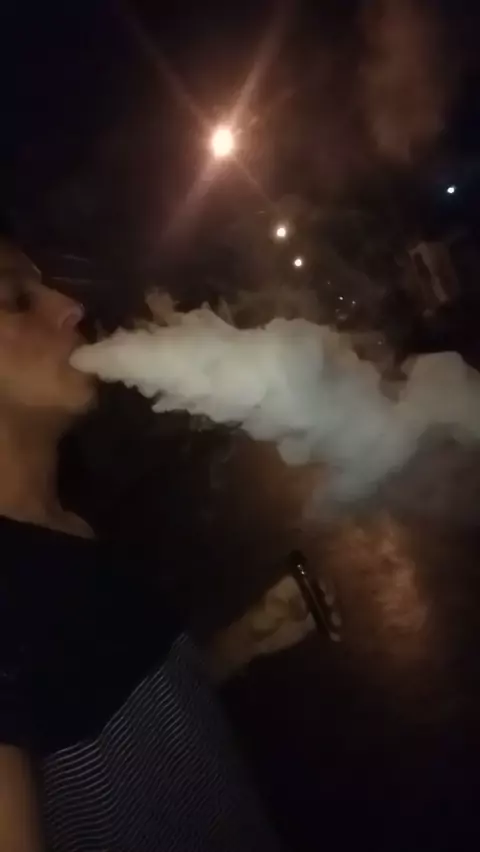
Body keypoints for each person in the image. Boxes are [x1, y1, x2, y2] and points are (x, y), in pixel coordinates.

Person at [0, 236, 281, 852]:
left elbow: (128, 725)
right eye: (16, 298)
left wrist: (246, 639)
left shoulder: (73, 525)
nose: (70, 306)